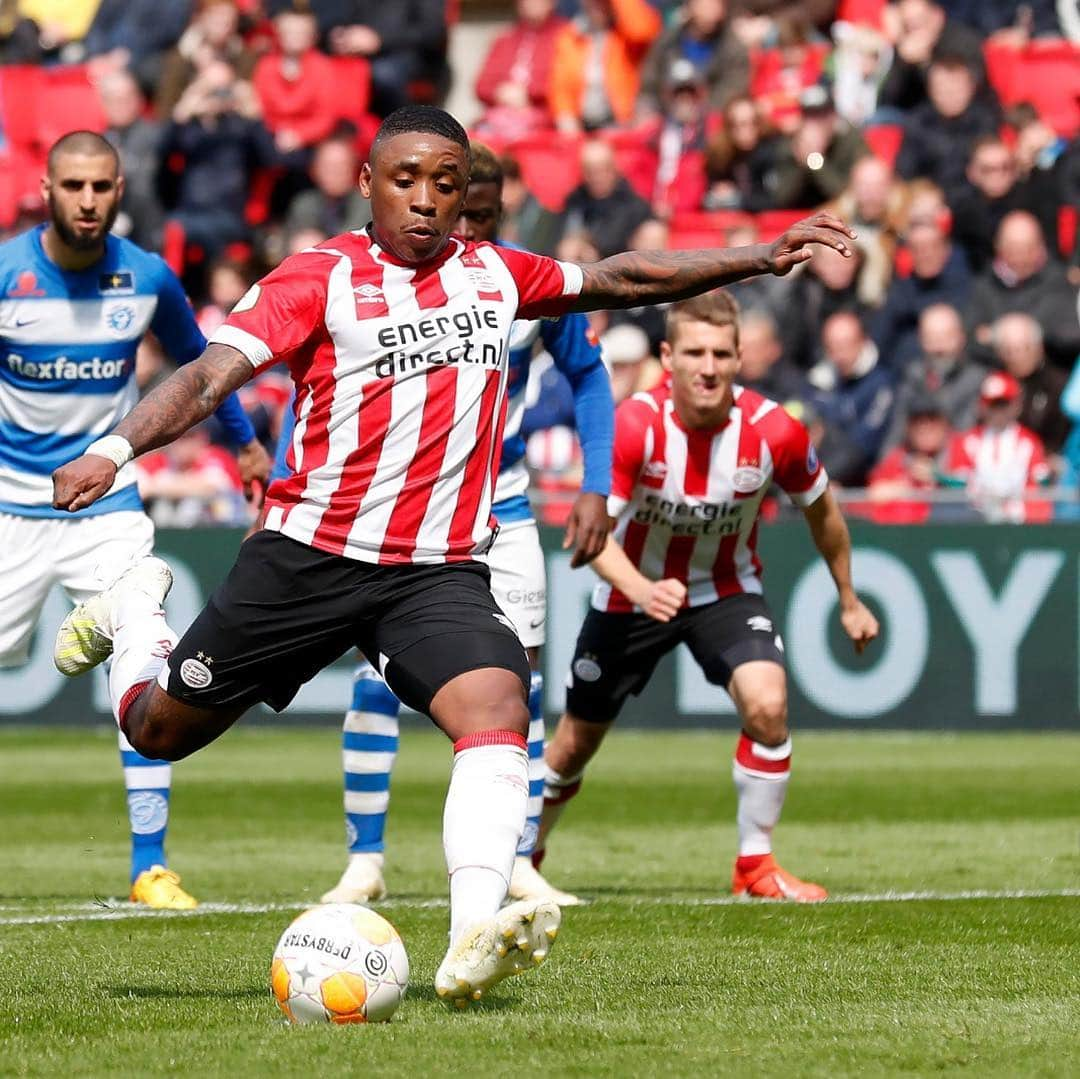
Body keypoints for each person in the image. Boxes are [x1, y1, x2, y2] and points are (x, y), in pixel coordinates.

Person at [50, 106, 856, 1004]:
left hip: (434, 569)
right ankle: (134, 609)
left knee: (498, 702)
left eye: (447, 182)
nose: (428, 202)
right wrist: (113, 451)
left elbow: (623, 277)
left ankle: (473, 931)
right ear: (366, 183)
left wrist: (758, 253)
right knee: (156, 730)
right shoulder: (318, 277)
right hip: (308, 554)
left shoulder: (496, 275)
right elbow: (207, 376)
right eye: (407, 180)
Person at [298, 143, 614, 908]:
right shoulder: (384, 285)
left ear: (498, 209)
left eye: (479, 210)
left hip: (501, 506)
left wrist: (598, 485)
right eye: (456, 206)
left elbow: (589, 374)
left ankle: (517, 859)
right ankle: (364, 858)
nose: (462, 222)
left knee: (522, 680)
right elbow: (314, 385)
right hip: (402, 509)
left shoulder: (516, 281)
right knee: (379, 677)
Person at [531, 291, 879, 901]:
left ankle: (755, 867)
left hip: (725, 589)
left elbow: (824, 514)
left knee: (768, 707)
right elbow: (588, 538)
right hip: (631, 595)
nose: (708, 367)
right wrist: (642, 587)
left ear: (741, 357)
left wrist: (848, 597)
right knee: (575, 742)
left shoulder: (776, 431)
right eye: (694, 352)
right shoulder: (635, 425)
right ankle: (525, 857)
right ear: (668, 357)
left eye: (721, 353)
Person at [0, 131, 270, 909]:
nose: (88, 201)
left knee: (148, 657)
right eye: (73, 186)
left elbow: (200, 372)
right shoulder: (8, 274)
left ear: (121, 189)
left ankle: (149, 864)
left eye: (101, 188)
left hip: (107, 502)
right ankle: (115, 606)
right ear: (46, 188)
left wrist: (248, 447)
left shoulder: (146, 277)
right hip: (14, 504)